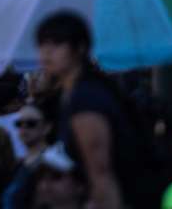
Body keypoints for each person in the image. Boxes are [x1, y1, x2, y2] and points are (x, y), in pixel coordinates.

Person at [36, 11, 136, 209]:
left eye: (57, 43)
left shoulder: (86, 98)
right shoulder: (77, 92)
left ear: (80, 48)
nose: (46, 52)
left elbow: (101, 174)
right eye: (42, 44)